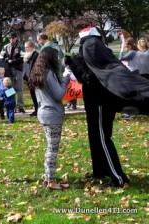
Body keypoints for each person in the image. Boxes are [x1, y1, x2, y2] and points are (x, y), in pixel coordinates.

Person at [65, 26, 149, 188]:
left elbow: (90, 77)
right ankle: (100, 170)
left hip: (100, 101)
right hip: (97, 100)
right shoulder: (96, 46)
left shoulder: (91, 45)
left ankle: (119, 178)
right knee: (96, 136)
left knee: (101, 138)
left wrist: (75, 64)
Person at [29, 47, 71, 190]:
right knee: (52, 149)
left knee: (50, 147)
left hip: (44, 114)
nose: (58, 60)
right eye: (56, 57)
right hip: (52, 116)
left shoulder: (38, 73)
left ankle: (48, 178)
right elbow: (59, 94)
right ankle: (52, 181)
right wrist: (66, 79)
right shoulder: (49, 74)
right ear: (50, 59)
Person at [0, 32, 25, 113]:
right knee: (10, 88)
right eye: (10, 38)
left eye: (13, 38)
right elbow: (0, 56)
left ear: (16, 38)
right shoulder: (6, 46)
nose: (11, 39)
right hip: (9, 70)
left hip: (18, 69)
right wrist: (6, 59)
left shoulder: (20, 46)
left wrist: (13, 60)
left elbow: (23, 56)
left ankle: (20, 106)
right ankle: (11, 105)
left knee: (19, 88)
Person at [22, 40, 39, 116]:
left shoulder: (36, 55)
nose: (26, 49)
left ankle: (38, 110)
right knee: (32, 95)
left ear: (32, 47)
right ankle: (36, 109)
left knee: (36, 95)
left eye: (27, 47)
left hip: (34, 78)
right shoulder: (26, 56)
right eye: (25, 47)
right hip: (28, 79)